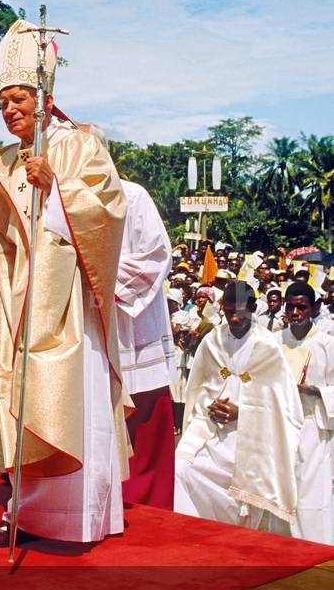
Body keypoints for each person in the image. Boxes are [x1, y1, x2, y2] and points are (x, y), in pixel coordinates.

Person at [0, 18, 129, 547]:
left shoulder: (79, 146)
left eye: (19, 98)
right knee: (22, 406)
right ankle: (24, 515)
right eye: (2, 102)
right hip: (22, 302)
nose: (9, 110)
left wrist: (60, 193)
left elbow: (108, 213)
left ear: (44, 97)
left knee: (71, 403)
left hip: (69, 308)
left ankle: (82, 520)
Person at [174, 282, 303, 534]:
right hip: (211, 433)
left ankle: (235, 541)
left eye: (241, 312)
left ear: (253, 309)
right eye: (229, 311)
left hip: (252, 438)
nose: (234, 318)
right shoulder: (213, 341)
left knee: (244, 497)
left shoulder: (267, 346)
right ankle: (194, 536)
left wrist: (241, 412)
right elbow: (198, 389)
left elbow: (284, 406)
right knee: (179, 470)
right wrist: (209, 406)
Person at [116, 179, 176, 510]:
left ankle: (149, 508)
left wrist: (96, 271)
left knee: (145, 428)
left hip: (133, 323)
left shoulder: (133, 194)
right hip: (88, 326)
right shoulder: (60, 195)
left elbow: (156, 256)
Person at [280, 281, 334, 544]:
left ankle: (314, 549)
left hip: (313, 427)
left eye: (301, 307)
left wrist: (318, 392)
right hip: (279, 426)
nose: (295, 313)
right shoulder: (275, 341)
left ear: (315, 307)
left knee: (311, 494)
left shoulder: (327, 345)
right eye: (290, 307)